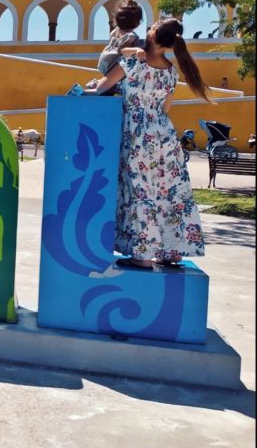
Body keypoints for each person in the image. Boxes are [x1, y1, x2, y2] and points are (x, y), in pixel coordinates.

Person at [85, 18, 211, 267]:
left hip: (137, 135)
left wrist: (84, 89)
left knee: (141, 191)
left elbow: (102, 87)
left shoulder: (133, 62)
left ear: (152, 36)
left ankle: (143, 255)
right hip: (163, 134)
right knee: (170, 191)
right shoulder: (171, 71)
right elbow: (166, 106)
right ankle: (173, 250)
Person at [86, 0, 144, 95]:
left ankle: (97, 85)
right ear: (138, 23)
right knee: (110, 87)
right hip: (114, 65)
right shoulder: (131, 36)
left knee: (107, 86)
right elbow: (123, 50)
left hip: (106, 63)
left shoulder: (116, 31)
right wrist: (136, 49)